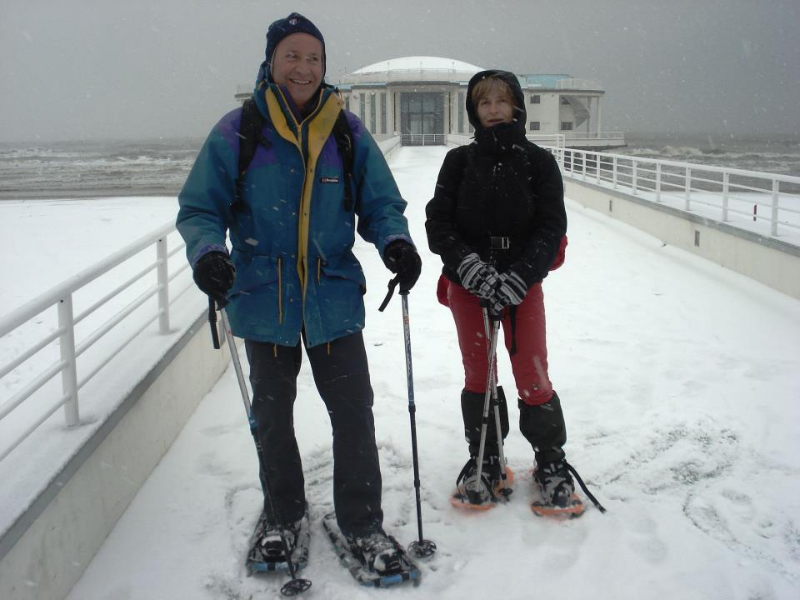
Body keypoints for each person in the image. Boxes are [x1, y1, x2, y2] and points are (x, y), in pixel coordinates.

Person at [176, 12, 422, 573]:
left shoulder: (346, 132)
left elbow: (381, 203)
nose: (304, 67)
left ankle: (363, 523)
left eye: (314, 58)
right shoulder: (239, 131)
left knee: (354, 412)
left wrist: (396, 243)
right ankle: (283, 514)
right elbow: (200, 209)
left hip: (332, 299)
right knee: (272, 414)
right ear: (271, 62)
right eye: (292, 55)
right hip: (263, 299)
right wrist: (209, 253)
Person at [425, 69, 581, 515]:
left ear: (516, 106)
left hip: (522, 285)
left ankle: (551, 460)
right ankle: (486, 457)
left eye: (501, 101)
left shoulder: (538, 162)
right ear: (474, 110)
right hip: (467, 286)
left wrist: (520, 275)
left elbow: (552, 227)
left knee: (532, 373)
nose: (493, 110)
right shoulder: (458, 162)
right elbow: (439, 224)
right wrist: (470, 268)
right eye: (484, 102)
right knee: (479, 372)